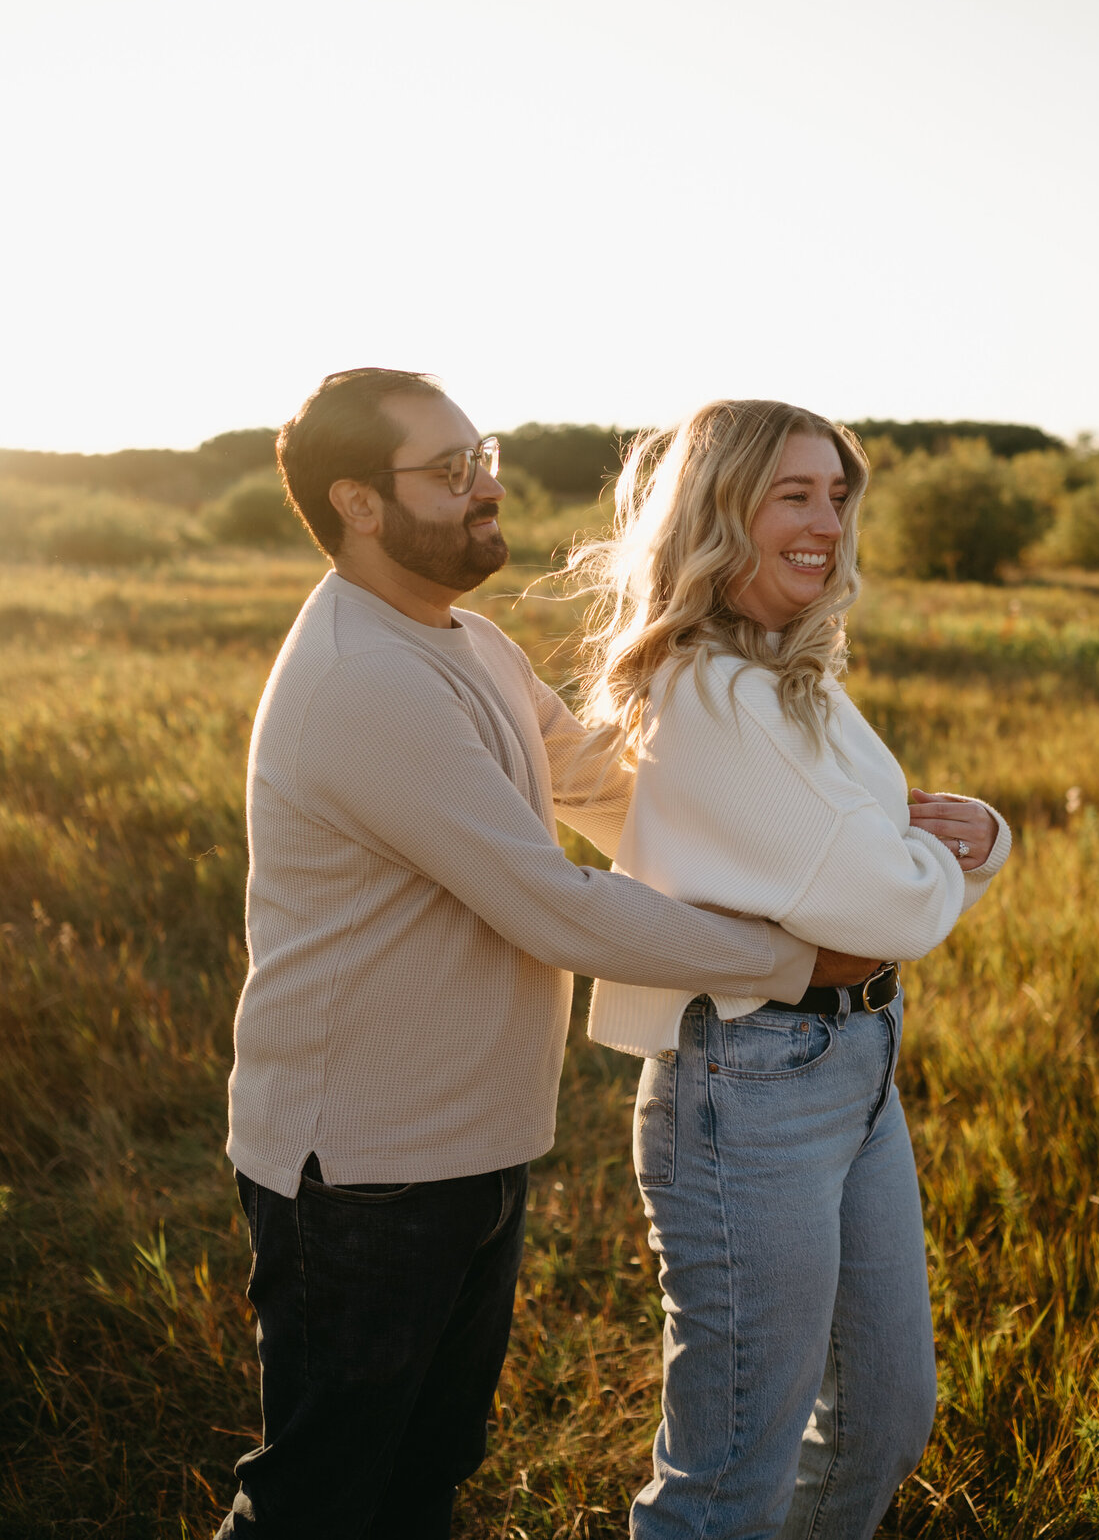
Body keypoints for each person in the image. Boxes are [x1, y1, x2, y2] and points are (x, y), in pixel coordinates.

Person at [216, 369, 854, 1540]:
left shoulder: (465, 640)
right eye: (452, 471)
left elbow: (612, 785)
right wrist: (783, 958)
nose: (488, 486)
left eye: (484, 453)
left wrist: (853, 821)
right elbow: (552, 903)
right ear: (358, 502)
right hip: (360, 1162)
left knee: (424, 1473)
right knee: (319, 1496)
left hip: (467, 1141)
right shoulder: (366, 676)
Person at [575, 399, 1012, 1540]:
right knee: (730, 1473)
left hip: (854, 1060)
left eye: (835, 494)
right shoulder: (710, 691)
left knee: (881, 1414)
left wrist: (964, 842)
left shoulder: (787, 674)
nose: (826, 521)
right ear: (720, 510)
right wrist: (965, 852)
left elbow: (897, 874)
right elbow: (898, 898)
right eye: (792, 494)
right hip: (750, 1088)